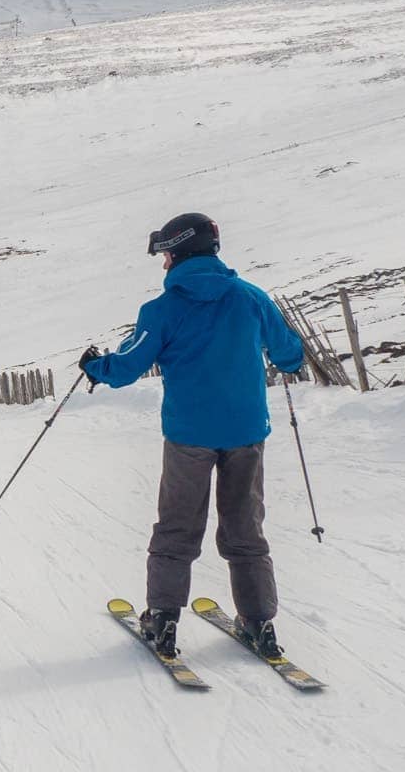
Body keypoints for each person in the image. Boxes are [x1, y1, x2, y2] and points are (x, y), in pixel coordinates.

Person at [79, 213, 305, 659]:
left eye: (165, 253)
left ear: (178, 252)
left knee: (178, 527)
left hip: (189, 436)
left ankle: (163, 620)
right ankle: (260, 621)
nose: (163, 263)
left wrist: (94, 365)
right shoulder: (251, 298)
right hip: (246, 433)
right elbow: (289, 353)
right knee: (245, 527)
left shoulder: (162, 310)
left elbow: (124, 367)